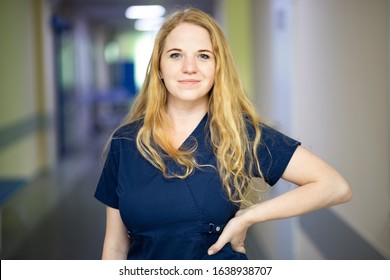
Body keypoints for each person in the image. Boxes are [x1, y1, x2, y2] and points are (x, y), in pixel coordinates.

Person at [94, 7, 352, 260]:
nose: (190, 67)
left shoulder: (239, 133)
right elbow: (115, 247)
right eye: (175, 55)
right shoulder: (125, 142)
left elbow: (334, 186)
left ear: (218, 67)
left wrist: (249, 216)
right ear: (159, 68)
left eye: (203, 56)